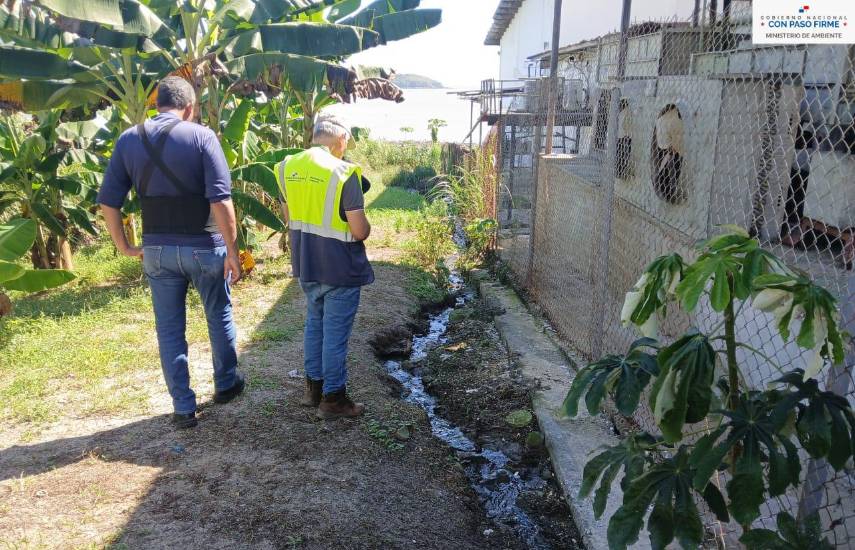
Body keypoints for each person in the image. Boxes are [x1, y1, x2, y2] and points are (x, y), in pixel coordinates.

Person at [97, 76, 244, 430]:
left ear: (156, 104)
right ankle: (226, 385)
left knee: (168, 329)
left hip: (157, 251)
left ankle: (182, 406)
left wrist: (124, 246)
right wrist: (233, 251)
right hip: (204, 247)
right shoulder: (201, 136)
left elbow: (108, 202)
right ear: (189, 107)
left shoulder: (128, 139)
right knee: (218, 314)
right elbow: (220, 201)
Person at [276, 113, 373, 420]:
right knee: (334, 335)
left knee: (314, 325)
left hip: (307, 263)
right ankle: (333, 399)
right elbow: (359, 231)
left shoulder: (286, 167)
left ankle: (313, 391)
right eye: (347, 142)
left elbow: (290, 218)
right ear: (340, 140)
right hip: (339, 267)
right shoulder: (345, 173)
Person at [653, 104, 685, 203]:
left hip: (663, 150)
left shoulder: (660, 119)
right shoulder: (674, 119)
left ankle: (665, 194)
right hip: (672, 152)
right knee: (672, 174)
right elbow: (678, 140)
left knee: (664, 174)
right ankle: (669, 195)